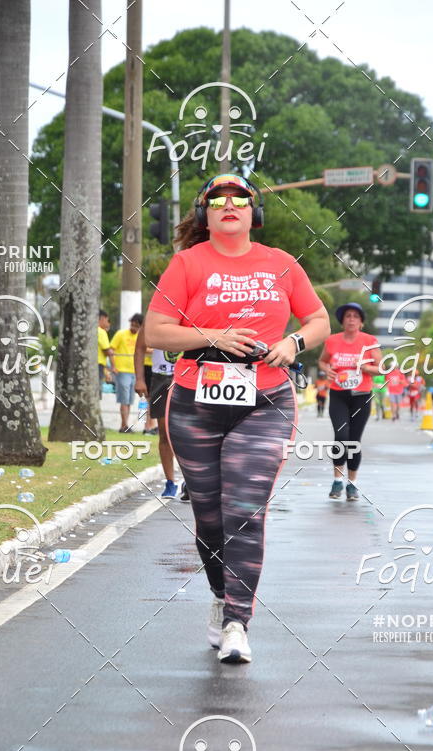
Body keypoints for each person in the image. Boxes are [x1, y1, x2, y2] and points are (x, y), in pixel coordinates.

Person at [144, 173, 329, 664]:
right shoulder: (186, 264)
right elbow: (157, 333)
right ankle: (222, 597)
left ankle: (236, 623)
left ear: (254, 212)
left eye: (241, 198)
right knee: (209, 518)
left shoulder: (282, 265)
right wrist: (211, 336)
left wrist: (294, 342)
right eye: (217, 199)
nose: (230, 204)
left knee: (244, 512)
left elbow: (318, 319)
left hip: (265, 401)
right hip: (195, 403)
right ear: (205, 213)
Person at [318, 303, 381, 501]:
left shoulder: (370, 341)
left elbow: (380, 368)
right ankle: (337, 480)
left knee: (354, 441)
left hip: (361, 396)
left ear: (361, 322)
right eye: (348, 316)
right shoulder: (332, 341)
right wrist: (326, 369)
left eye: (355, 316)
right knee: (341, 435)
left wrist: (364, 367)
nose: (351, 319)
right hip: (339, 394)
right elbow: (322, 361)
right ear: (343, 321)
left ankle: (351, 484)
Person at [134, 325, 184, 498]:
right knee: (164, 432)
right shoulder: (153, 318)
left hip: (187, 378)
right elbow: (140, 347)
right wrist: (140, 379)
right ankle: (170, 483)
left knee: (187, 434)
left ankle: (191, 481)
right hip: (161, 379)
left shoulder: (189, 313)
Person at [111, 312, 143, 432]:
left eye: (136, 326)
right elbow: (111, 350)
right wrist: (113, 366)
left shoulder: (140, 336)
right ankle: (124, 425)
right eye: (132, 325)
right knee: (124, 399)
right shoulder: (121, 334)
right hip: (122, 371)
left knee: (129, 400)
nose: (133, 328)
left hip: (134, 372)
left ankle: (125, 425)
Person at [97, 309, 113, 389]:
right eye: (107, 320)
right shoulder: (101, 332)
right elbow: (107, 351)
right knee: (97, 388)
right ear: (102, 318)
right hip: (99, 364)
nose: (107, 324)